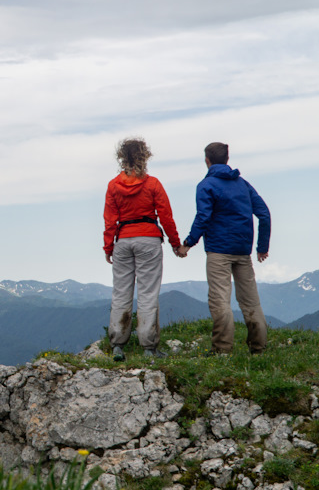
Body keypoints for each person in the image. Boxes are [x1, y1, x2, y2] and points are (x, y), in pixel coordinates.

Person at [177, 142, 271, 355]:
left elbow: (203, 217)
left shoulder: (206, 185)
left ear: (207, 160)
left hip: (219, 250)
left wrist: (188, 244)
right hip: (243, 250)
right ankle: (258, 347)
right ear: (227, 159)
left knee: (220, 299)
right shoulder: (243, 184)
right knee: (250, 300)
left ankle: (222, 349)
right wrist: (262, 247)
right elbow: (264, 213)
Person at [103, 138, 183, 361]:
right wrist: (175, 243)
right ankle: (149, 347)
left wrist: (108, 246)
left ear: (121, 157)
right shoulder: (153, 184)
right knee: (147, 294)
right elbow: (166, 216)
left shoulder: (113, 186)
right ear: (145, 156)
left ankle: (118, 345)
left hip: (123, 240)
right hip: (148, 239)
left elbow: (110, 220)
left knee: (121, 293)